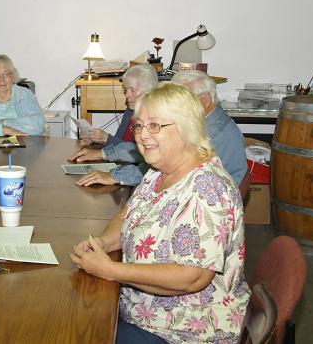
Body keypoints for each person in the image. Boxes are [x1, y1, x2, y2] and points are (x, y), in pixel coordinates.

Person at [70, 82, 250, 343]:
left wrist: (111, 270)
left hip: (185, 330)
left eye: (155, 125)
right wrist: (102, 243)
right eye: (139, 126)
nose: (142, 135)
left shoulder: (207, 188)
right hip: (143, 312)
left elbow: (192, 277)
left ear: (186, 127)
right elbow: (128, 216)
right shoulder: (157, 173)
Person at [68, 64, 158, 186]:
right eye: (126, 90)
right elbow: (123, 145)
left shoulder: (156, 120)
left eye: (132, 90)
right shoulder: (130, 111)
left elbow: (140, 157)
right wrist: (99, 143)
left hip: (129, 173)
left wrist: (106, 142)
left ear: (149, 92)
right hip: (122, 167)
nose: (126, 95)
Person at [172, 70, 247, 185]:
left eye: (183, 100)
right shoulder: (205, 122)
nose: (176, 107)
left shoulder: (214, 135)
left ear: (206, 100)